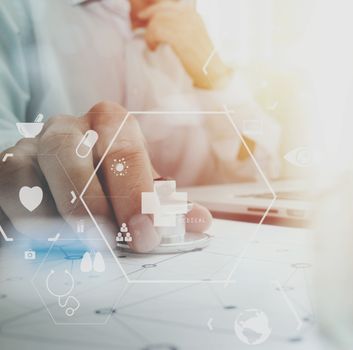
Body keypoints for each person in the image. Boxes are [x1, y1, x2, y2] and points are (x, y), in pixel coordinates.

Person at [0, 0, 281, 252]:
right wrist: (44, 160)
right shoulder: (19, 12)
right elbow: (8, 153)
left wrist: (215, 75)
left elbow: (262, 169)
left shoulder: (195, 33)